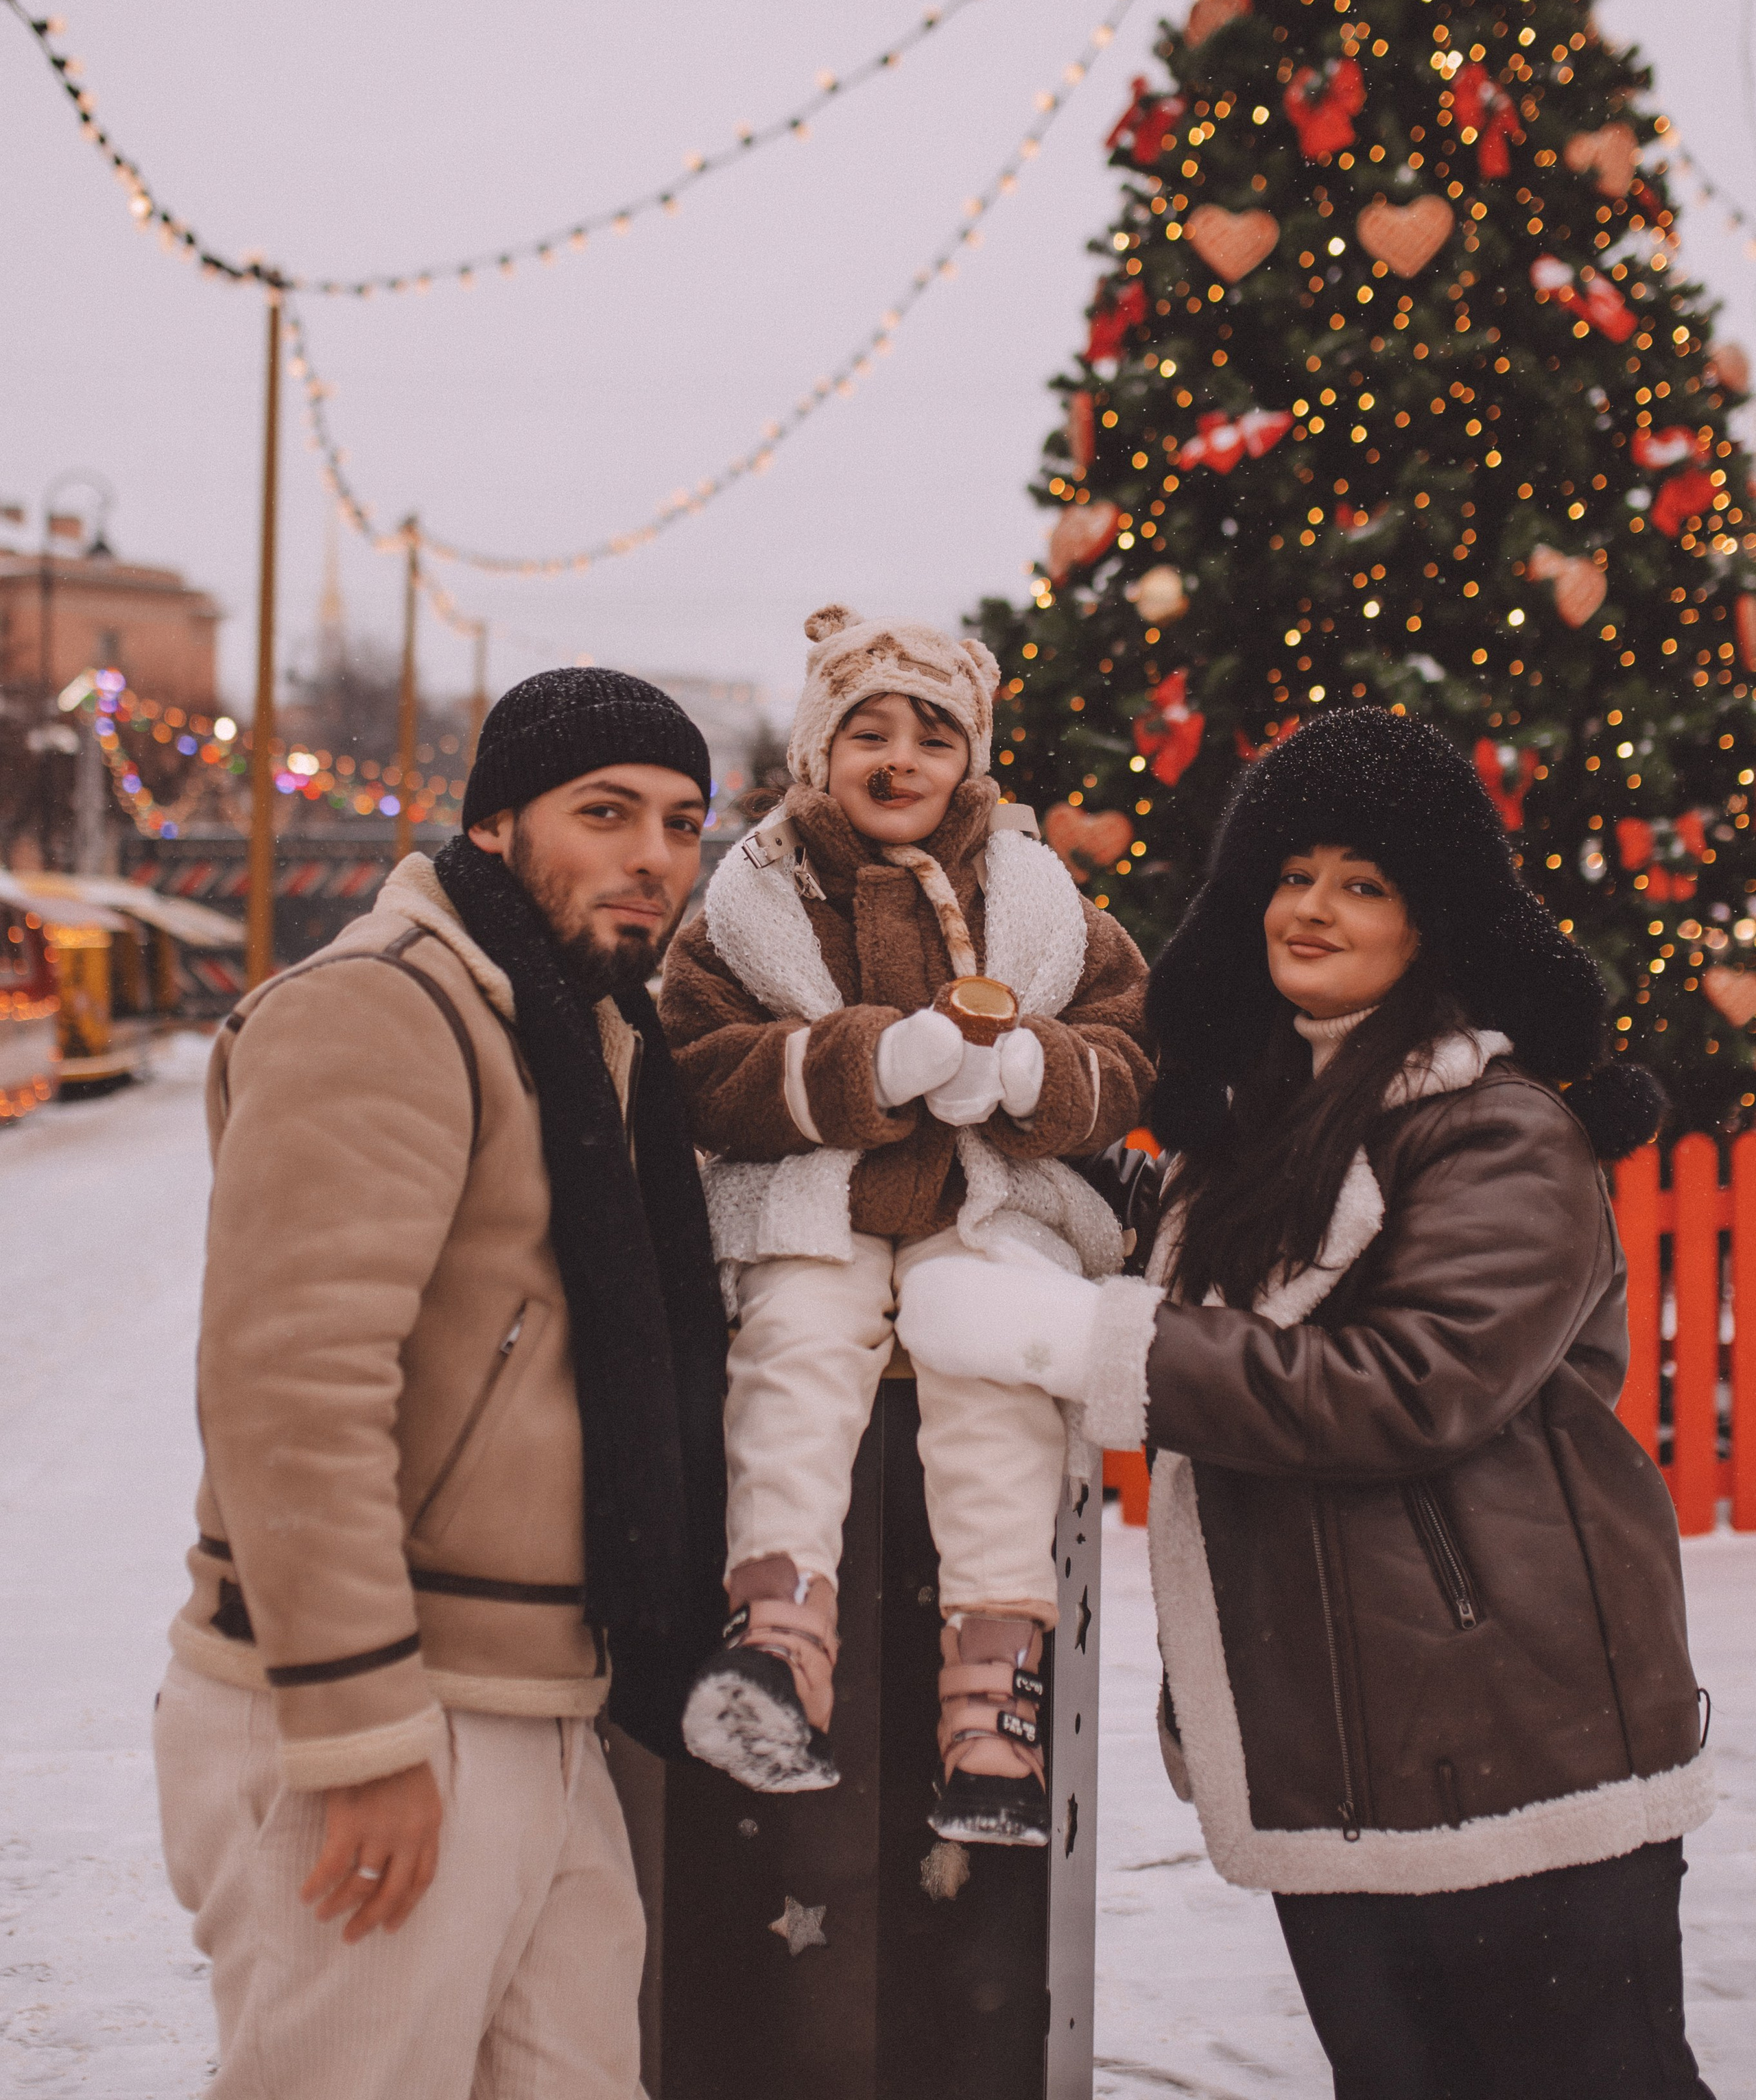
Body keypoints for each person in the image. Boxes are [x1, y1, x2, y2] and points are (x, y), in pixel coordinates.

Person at [898, 706, 1716, 2096]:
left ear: (1433, 920)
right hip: (1344, 1753)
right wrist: (1026, 1161)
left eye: (1362, 882)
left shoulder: (1498, 1129)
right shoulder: (1281, 1111)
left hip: (1515, 1746)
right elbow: (1240, 1265)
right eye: (1291, 872)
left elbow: (1403, 1387)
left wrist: (1077, 1337)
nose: (1312, 909)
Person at [154, 669, 729, 2100]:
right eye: (603, 813)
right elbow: (292, 1386)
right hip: (384, 1705)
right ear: (491, 827)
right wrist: (359, 1728)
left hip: (534, 1700)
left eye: (679, 821)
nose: (651, 856)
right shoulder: (385, 1010)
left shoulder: (584, 1038)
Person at [658, 604, 1154, 1844]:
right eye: (865, 734)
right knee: (795, 1352)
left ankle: (995, 1703)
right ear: (816, 754)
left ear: (972, 759)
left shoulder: (1036, 895)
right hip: (817, 1198)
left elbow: (1128, 1044)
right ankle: (778, 1640)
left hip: (978, 1198)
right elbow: (699, 1060)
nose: (899, 762)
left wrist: (1031, 1075)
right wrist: (864, 1063)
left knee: (990, 1387)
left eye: (932, 739)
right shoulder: (754, 896)